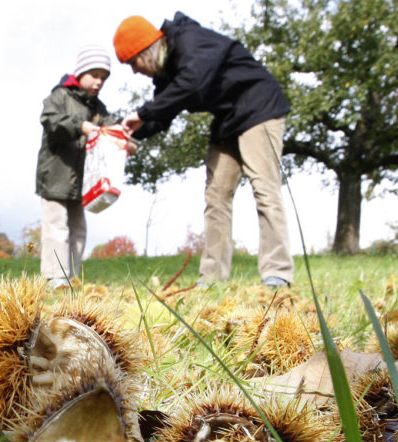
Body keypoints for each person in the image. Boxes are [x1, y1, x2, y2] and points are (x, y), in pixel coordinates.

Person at [114, 13, 294, 288]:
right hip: (227, 120)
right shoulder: (167, 73)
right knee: (216, 197)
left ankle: (277, 273)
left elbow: (193, 82)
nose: (135, 71)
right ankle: (211, 279)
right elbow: (161, 114)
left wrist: (141, 112)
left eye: (133, 62)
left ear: (145, 48)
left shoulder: (189, 40)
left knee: (264, 188)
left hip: (259, 107)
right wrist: (125, 132)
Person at [35, 46, 117, 290]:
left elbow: (113, 127)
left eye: (104, 77)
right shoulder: (59, 96)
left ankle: (71, 277)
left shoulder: (98, 108)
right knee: (56, 226)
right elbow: (50, 120)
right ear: (80, 73)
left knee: (78, 228)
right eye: (94, 74)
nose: (99, 81)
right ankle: (53, 277)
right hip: (56, 175)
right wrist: (79, 126)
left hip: (81, 180)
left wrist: (125, 140)